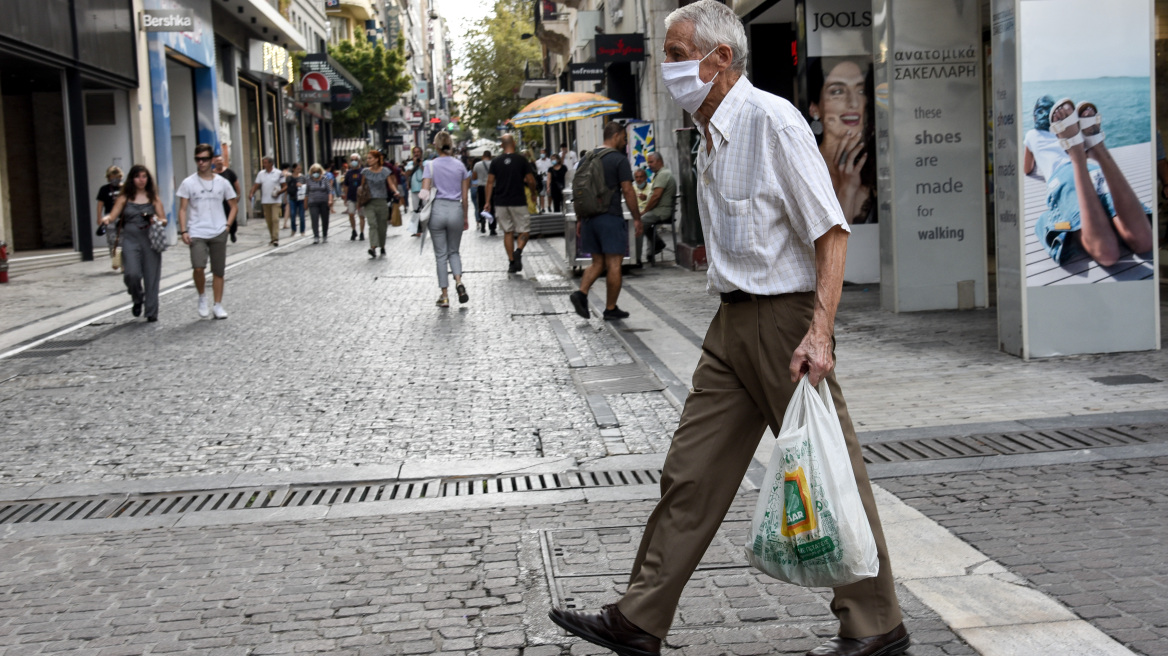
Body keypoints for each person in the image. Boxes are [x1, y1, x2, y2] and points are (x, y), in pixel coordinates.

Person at [549, 4, 909, 656]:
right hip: (729, 323)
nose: (669, 66)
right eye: (667, 52)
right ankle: (639, 618)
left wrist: (820, 332)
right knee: (691, 473)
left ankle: (876, 622)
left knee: (831, 471)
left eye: (679, 53)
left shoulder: (770, 122)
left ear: (720, 60)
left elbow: (831, 230)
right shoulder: (707, 132)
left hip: (784, 320)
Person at [1024, 96, 1153, 267]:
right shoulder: (1058, 132)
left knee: (1107, 253)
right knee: (1144, 240)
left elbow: (1027, 168)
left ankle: (1076, 153)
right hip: (1092, 170)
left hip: (1062, 177)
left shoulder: (1032, 134)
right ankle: (1097, 148)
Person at [567, 122, 642, 321]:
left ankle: (581, 294)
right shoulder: (619, 159)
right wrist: (637, 218)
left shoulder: (586, 158)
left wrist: (581, 219)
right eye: (624, 138)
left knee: (597, 262)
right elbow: (627, 190)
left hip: (589, 218)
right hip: (610, 217)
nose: (625, 143)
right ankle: (610, 308)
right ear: (616, 135)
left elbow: (580, 191)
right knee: (614, 263)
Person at [808, 57, 876, 224]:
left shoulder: (879, 168)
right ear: (815, 108)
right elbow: (830, 247)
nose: (853, 103)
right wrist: (847, 190)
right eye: (837, 91)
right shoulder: (806, 170)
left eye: (861, 91)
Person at [99, 164, 168, 322]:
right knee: (131, 273)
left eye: (144, 176)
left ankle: (151, 312)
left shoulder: (153, 197)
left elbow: (164, 220)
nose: (141, 180)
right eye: (138, 177)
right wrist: (106, 219)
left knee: (152, 277)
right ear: (132, 179)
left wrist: (155, 219)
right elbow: (113, 215)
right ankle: (137, 297)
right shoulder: (125, 197)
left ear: (148, 179)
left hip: (150, 238)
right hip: (130, 238)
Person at [177, 143, 238, 320]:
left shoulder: (223, 182)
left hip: (218, 230)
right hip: (196, 231)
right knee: (198, 267)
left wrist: (227, 226)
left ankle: (218, 305)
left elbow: (233, 206)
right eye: (198, 159)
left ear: (211, 160)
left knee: (219, 271)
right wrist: (183, 231)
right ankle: (202, 296)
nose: (201, 162)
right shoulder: (188, 182)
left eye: (204, 159)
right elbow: (182, 209)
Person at [421, 131, 472, 307]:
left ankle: (444, 295)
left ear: (436, 145)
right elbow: (465, 197)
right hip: (456, 210)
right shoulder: (460, 167)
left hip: (437, 210)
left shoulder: (430, 165)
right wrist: (465, 217)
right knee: (454, 252)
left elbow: (425, 193)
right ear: (450, 144)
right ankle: (459, 282)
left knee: (441, 255)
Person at [484, 134, 537, 273]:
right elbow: (531, 180)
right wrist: (533, 193)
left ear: (501, 145)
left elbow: (490, 183)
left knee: (508, 232)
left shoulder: (495, 162)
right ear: (514, 143)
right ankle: (518, 251)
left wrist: (487, 202)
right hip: (518, 201)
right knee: (524, 230)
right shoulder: (521, 160)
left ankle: (512, 262)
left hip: (501, 202)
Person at [636, 152, 676, 264]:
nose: (649, 165)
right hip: (659, 210)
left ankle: (636, 259)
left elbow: (656, 197)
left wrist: (644, 211)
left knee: (639, 223)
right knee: (643, 221)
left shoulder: (663, 174)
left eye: (651, 162)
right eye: (648, 162)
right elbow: (654, 196)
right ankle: (657, 244)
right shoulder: (661, 174)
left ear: (659, 161)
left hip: (660, 211)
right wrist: (646, 199)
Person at [360, 149, 398, 258]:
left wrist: (396, 191)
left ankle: (382, 246)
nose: (368, 160)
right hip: (369, 202)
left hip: (382, 201)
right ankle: (373, 247)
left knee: (382, 226)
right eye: (367, 158)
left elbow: (390, 184)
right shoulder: (365, 172)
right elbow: (362, 187)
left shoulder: (385, 171)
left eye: (370, 158)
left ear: (377, 159)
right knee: (372, 224)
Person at [248, 156, 284, 247]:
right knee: (269, 221)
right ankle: (272, 238)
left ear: (271, 163)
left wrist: (279, 192)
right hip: (265, 200)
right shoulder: (261, 174)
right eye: (263, 163)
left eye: (265, 163)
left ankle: (275, 239)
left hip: (275, 200)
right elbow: (256, 185)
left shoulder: (279, 173)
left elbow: (285, 186)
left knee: (275, 219)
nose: (264, 164)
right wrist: (252, 193)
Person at [95, 166, 123, 269]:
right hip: (109, 218)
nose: (115, 178)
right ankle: (116, 260)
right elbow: (100, 204)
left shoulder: (125, 188)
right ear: (108, 177)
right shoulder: (104, 189)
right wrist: (99, 217)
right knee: (112, 240)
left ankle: (123, 263)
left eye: (117, 176)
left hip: (123, 217)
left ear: (120, 176)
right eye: (112, 176)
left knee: (123, 240)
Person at [212, 155, 241, 243]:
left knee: (231, 215)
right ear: (214, 163)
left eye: (220, 160)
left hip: (229, 199)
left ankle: (232, 232)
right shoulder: (212, 173)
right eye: (217, 161)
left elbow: (236, 184)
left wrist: (238, 195)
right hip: (218, 200)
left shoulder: (229, 172)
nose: (219, 162)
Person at [305, 163, 334, 244]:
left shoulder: (324, 178)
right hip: (313, 203)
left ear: (320, 171)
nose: (315, 173)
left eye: (317, 171)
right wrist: (305, 203)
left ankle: (325, 235)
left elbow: (329, 190)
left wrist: (330, 200)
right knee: (314, 219)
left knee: (325, 219)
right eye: (314, 171)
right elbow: (307, 192)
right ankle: (316, 236)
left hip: (324, 202)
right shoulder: (309, 180)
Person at [342, 154, 365, 241]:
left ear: (359, 161)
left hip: (361, 198)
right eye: (352, 160)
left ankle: (362, 232)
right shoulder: (349, 173)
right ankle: (354, 230)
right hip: (351, 197)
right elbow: (346, 185)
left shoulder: (363, 171)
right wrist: (345, 197)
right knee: (351, 214)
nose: (353, 161)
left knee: (361, 216)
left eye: (355, 159)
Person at [406, 146, 426, 237]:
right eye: (415, 152)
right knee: (415, 210)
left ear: (421, 153)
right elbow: (407, 174)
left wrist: (421, 165)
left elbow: (427, 173)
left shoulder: (426, 163)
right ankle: (417, 229)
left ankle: (425, 227)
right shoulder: (410, 164)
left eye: (418, 152)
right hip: (414, 189)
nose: (416, 153)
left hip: (424, 188)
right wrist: (414, 164)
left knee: (425, 209)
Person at [472, 150, 493, 233]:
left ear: (483, 156)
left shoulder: (477, 164)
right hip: (492, 187)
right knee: (492, 206)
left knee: (481, 205)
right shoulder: (493, 164)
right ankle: (492, 227)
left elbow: (474, 177)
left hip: (481, 187)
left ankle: (482, 221)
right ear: (490, 156)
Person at [284, 163, 307, 237]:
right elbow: (287, 188)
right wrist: (285, 197)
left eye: (300, 169)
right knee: (293, 214)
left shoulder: (302, 177)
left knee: (301, 215)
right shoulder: (289, 178)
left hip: (301, 198)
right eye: (297, 168)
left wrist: (302, 185)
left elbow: (306, 187)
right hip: (292, 198)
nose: (299, 170)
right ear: (293, 169)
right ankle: (293, 229)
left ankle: (302, 230)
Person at [535, 148, 553, 213]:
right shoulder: (537, 162)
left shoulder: (549, 161)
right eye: (541, 153)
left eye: (543, 153)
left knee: (549, 194)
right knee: (542, 194)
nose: (542, 154)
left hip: (548, 179)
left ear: (545, 153)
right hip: (541, 180)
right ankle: (543, 207)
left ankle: (549, 206)